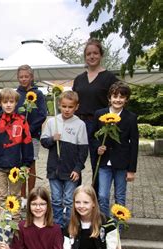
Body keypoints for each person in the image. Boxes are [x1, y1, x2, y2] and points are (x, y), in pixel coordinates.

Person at [73, 38, 119, 188]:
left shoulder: (110, 78)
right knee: (75, 162)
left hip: (99, 126)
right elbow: (73, 102)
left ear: (101, 55)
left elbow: (117, 101)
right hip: (78, 123)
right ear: (85, 57)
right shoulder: (79, 79)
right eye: (88, 54)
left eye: (95, 53)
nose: (92, 56)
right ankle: (75, 198)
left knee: (97, 163)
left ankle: (96, 200)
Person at [41, 91, 88, 228]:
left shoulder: (80, 125)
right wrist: (52, 139)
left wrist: (78, 168)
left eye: (70, 107)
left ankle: (69, 226)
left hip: (70, 171)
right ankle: (57, 227)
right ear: (59, 105)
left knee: (68, 200)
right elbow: (44, 142)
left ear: (76, 107)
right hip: (54, 170)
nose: (67, 110)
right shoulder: (52, 122)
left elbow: (83, 150)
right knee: (56, 200)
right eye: (64, 106)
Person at [94, 82, 138, 217]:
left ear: (126, 99)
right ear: (109, 98)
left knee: (120, 196)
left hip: (122, 163)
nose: (118, 99)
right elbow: (93, 136)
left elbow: (134, 144)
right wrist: (97, 148)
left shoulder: (131, 117)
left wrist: (131, 170)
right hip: (104, 162)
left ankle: (117, 228)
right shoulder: (99, 114)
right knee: (102, 195)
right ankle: (105, 224)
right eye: (115, 96)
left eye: (122, 97)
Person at [0, 88, 33, 217]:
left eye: (11, 102)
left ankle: (15, 223)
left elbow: (27, 144)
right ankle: (2, 224)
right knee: (1, 196)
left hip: (16, 167)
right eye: (5, 102)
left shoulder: (22, 121)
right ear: (0, 103)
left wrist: (27, 164)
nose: (8, 105)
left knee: (15, 196)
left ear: (16, 103)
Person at [16, 65, 48, 198]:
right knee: (20, 164)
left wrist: (29, 129)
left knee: (31, 163)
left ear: (31, 77)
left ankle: (31, 194)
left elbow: (42, 114)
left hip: (32, 135)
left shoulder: (38, 94)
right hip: (17, 136)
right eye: (21, 77)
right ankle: (22, 196)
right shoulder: (16, 94)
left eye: (26, 76)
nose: (24, 79)